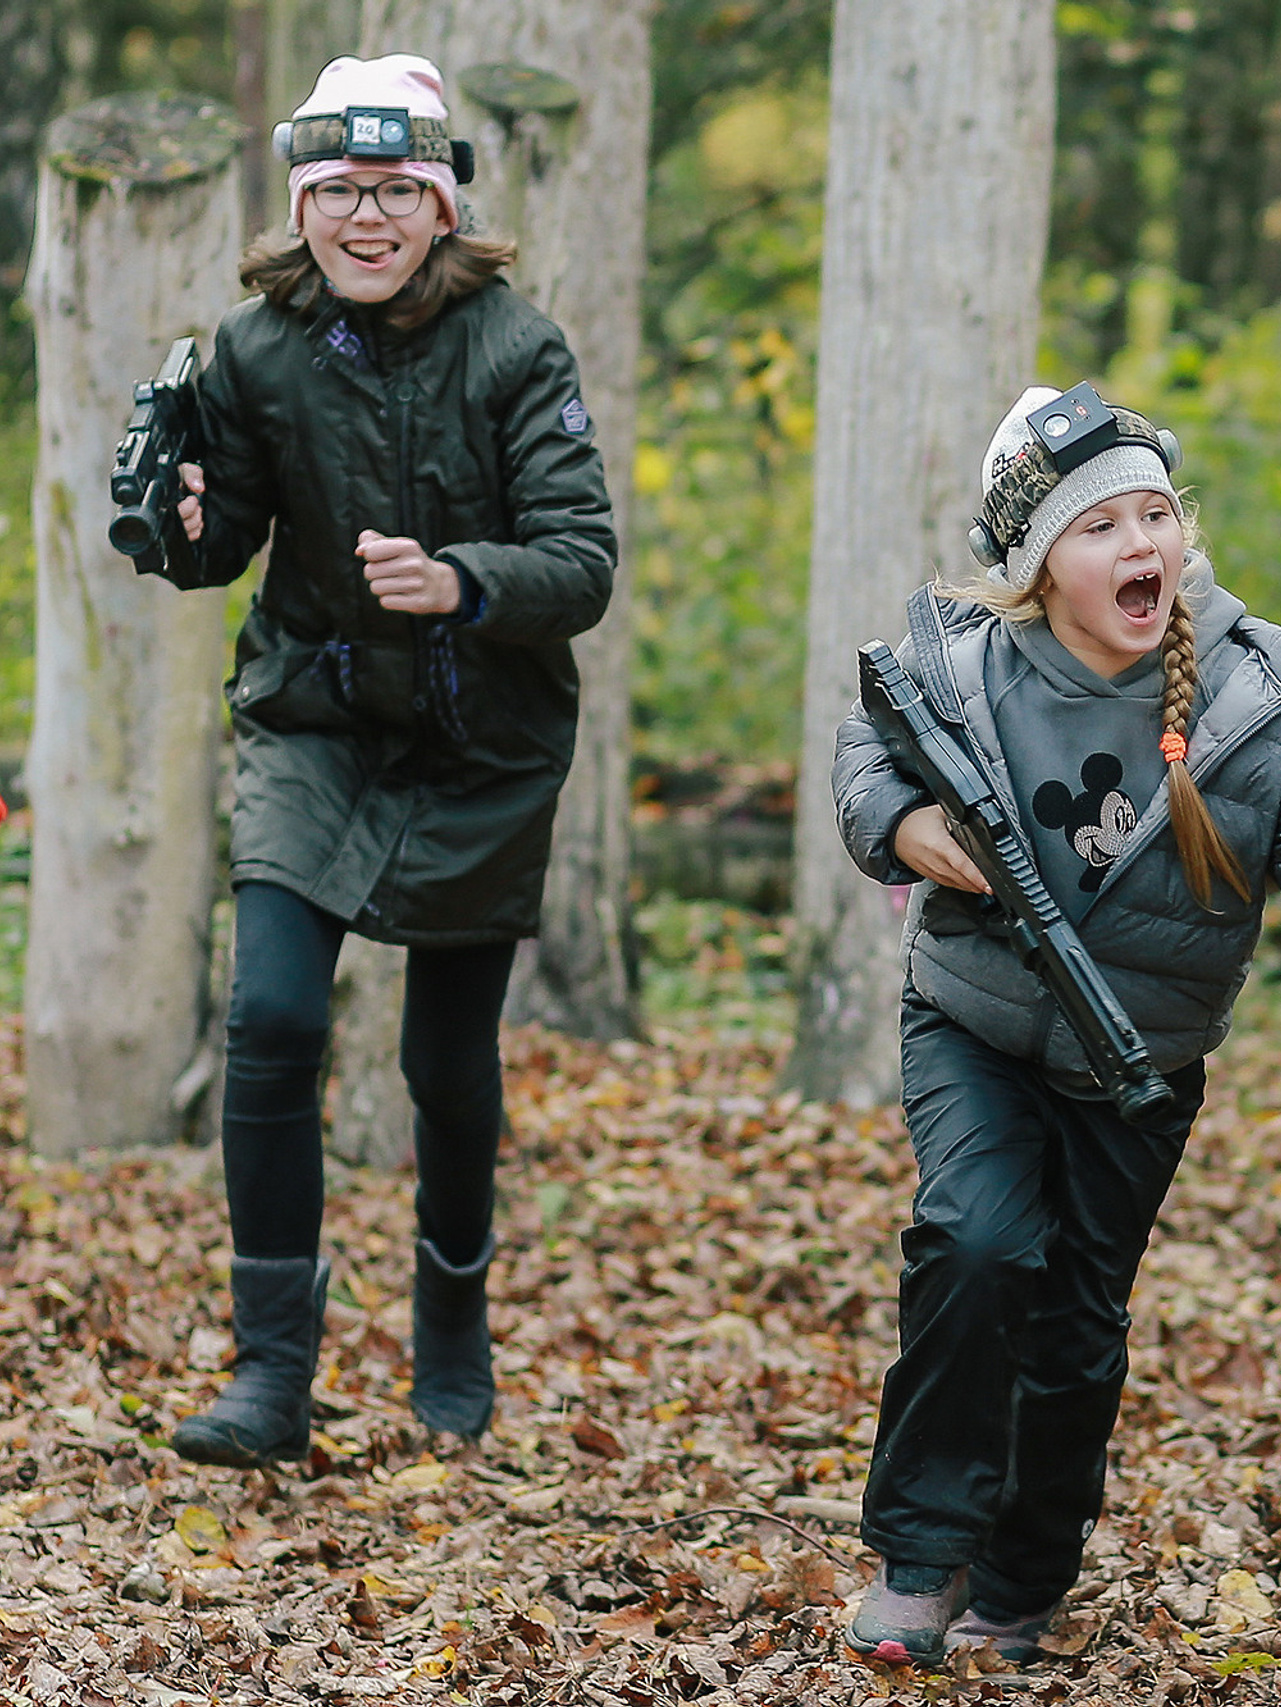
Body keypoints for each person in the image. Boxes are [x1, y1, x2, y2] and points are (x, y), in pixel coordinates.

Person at [830, 384, 1281, 1667]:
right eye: (1098, 527)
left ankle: (1023, 1571)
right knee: (976, 1242)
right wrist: (904, 833)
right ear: (1036, 567)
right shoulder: (967, 665)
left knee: (1074, 1323)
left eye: (1155, 516)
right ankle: (921, 1549)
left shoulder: (1252, 696)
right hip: (977, 1024)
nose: (1139, 547)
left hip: (1141, 1065)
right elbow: (869, 748)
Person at [155, 54, 614, 1468]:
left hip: (484, 736)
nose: (365, 218)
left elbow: (582, 560)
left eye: (395, 192)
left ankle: (453, 1316)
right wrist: (177, 514)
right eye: (338, 192)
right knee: (274, 1016)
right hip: (317, 716)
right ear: (301, 207)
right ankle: (271, 1370)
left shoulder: (518, 347)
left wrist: (460, 580)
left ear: (439, 204)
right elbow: (218, 544)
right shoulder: (254, 347)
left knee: (445, 1061)